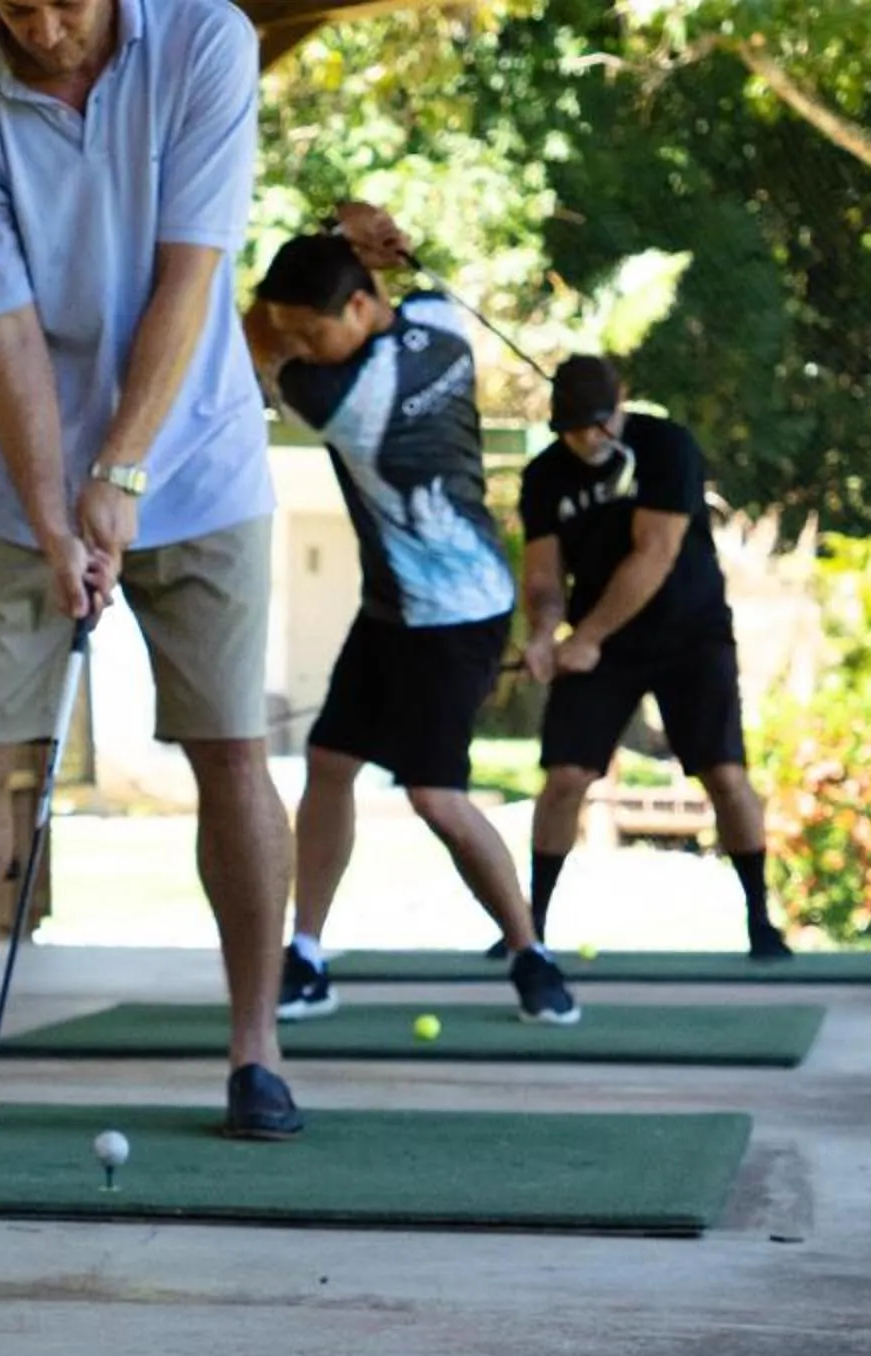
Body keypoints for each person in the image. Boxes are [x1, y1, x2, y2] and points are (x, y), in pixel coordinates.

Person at [0, 0, 303, 1141]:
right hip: (11, 479)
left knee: (230, 746)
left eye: (66, 0)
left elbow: (191, 276)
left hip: (205, 457)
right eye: (16, 3)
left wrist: (119, 473)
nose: (44, 26)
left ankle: (255, 1050)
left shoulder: (206, 40)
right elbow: (8, 332)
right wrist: (51, 514)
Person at [244, 218, 580, 1028]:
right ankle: (309, 954)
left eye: (313, 330)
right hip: (393, 606)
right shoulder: (442, 322)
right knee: (329, 762)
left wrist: (337, 235)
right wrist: (348, 244)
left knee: (435, 796)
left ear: (361, 307)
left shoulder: (343, 398)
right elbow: (302, 310)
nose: (300, 343)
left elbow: (248, 338)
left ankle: (531, 954)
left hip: (456, 615)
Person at [517, 356, 792, 959]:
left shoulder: (666, 446)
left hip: (688, 634)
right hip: (600, 646)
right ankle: (529, 930)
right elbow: (542, 574)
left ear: (622, 402)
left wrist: (584, 637)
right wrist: (543, 633)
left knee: (724, 775)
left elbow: (654, 552)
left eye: (597, 422)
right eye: (572, 427)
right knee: (564, 780)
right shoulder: (544, 476)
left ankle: (760, 922)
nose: (587, 438)